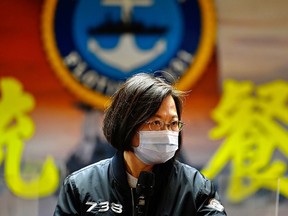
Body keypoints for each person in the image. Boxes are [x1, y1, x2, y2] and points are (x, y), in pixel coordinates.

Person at [54, 73, 227, 215]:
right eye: (156, 123)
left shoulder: (197, 188)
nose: (166, 132)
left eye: (173, 123)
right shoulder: (81, 187)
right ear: (128, 125)